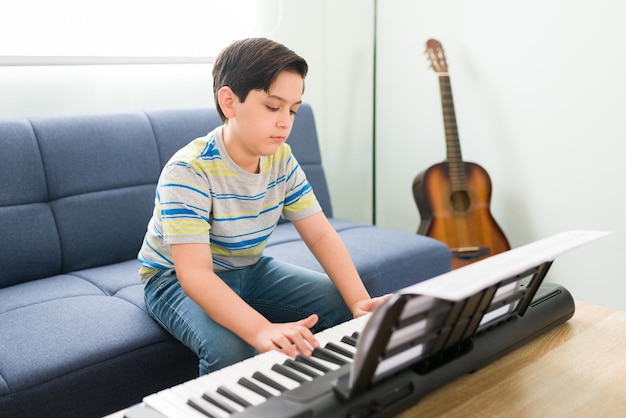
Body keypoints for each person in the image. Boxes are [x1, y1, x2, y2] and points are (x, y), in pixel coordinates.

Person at [138, 37, 390, 376]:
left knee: (342, 305)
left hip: (249, 268)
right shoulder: (189, 170)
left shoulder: (281, 160)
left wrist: (360, 302)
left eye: (293, 110)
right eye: (273, 107)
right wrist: (260, 330)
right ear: (229, 102)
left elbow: (320, 236)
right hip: (171, 279)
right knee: (233, 349)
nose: (285, 121)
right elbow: (195, 274)